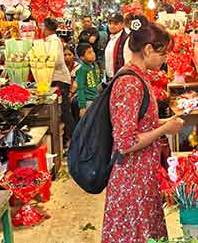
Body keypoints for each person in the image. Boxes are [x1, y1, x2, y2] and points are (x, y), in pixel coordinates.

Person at [103, 15, 184, 243]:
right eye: (163, 53)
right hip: (131, 180)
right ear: (148, 49)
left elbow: (139, 125)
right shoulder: (129, 83)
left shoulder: (140, 77)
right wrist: (164, 128)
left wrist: (165, 124)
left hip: (142, 176)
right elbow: (126, 142)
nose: (165, 59)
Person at [42, 18, 76, 144]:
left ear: (46, 28)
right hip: (56, 78)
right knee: (63, 110)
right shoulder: (51, 41)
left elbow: (56, 61)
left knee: (65, 110)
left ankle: (73, 138)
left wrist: (42, 60)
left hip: (60, 79)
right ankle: (69, 138)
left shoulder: (54, 41)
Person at [74, 43, 102, 117]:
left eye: (93, 51)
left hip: (96, 98)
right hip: (88, 101)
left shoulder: (95, 66)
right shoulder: (82, 70)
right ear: (82, 57)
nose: (93, 54)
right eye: (89, 53)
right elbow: (80, 88)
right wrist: (82, 107)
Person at [104, 14, 132, 81]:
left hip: (120, 79)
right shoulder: (111, 38)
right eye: (110, 23)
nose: (111, 26)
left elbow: (128, 63)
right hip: (110, 79)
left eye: (115, 24)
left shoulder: (126, 39)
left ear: (122, 24)